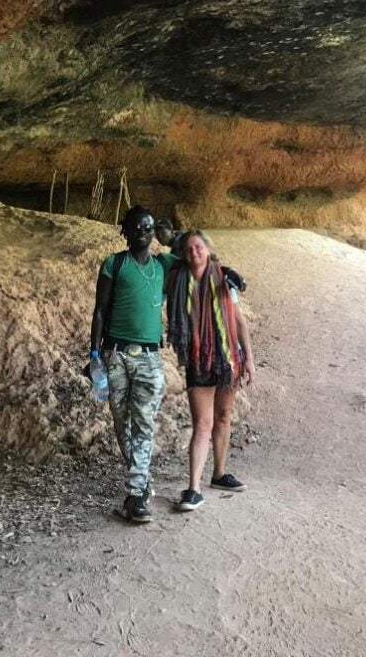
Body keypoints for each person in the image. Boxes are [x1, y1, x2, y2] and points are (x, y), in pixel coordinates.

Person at [91, 206, 177, 523]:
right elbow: (100, 310)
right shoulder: (114, 264)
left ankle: (135, 495)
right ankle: (141, 481)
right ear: (125, 231)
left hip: (150, 357)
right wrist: (94, 354)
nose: (142, 232)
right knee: (121, 423)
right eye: (136, 227)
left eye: (148, 227)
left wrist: (173, 237)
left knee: (143, 422)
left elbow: (197, 256)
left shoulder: (163, 264)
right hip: (115, 353)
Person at [166, 230, 255, 512]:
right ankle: (193, 488)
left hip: (227, 357)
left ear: (207, 249)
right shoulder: (176, 279)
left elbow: (238, 322)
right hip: (197, 358)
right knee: (202, 424)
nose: (195, 252)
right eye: (189, 249)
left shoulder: (224, 278)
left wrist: (249, 359)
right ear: (183, 253)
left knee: (224, 416)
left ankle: (219, 474)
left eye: (199, 247)